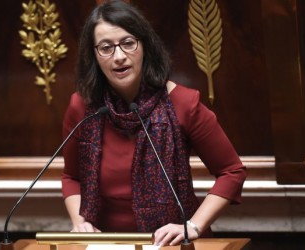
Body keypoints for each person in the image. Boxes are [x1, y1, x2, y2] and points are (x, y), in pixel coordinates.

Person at [61, 0, 246, 247]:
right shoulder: (82, 108)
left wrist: (192, 225)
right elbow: (71, 176)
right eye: (105, 47)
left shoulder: (184, 104)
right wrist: (80, 222)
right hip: (106, 244)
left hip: (172, 244)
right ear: (93, 55)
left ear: (145, 46)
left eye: (128, 43)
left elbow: (232, 172)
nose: (118, 57)